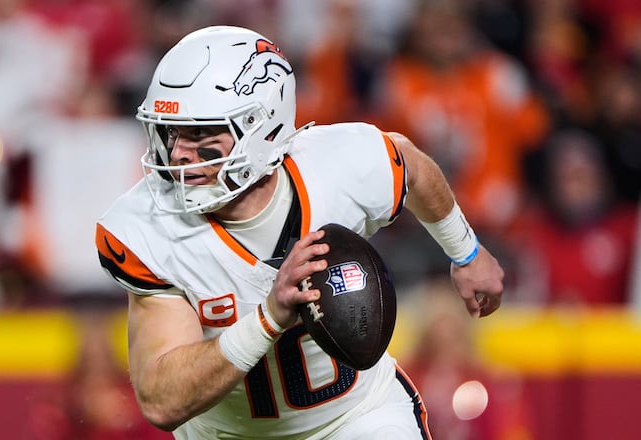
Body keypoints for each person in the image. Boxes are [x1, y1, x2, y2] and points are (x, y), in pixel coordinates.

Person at [94, 25, 505, 439]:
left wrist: (466, 252)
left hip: (355, 417)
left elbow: (411, 166)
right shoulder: (149, 225)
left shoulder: (336, 165)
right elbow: (161, 400)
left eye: (200, 132)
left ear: (261, 127)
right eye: (170, 131)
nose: (178, 152)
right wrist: (269, 316)